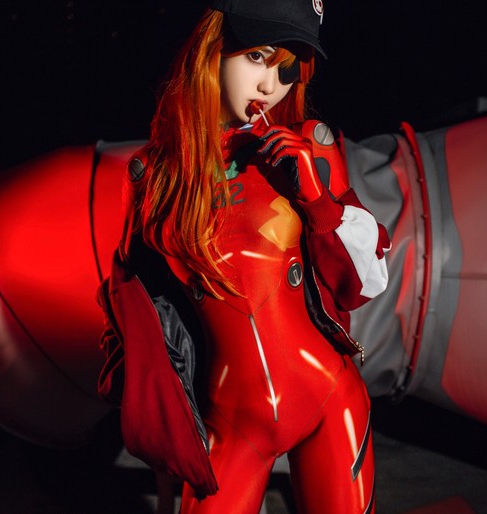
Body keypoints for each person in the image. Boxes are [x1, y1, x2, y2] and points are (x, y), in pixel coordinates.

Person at [108, 1, 391, 512]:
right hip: (231, 421)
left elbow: (363, 284)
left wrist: (318, 201)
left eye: (287, 69)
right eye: (257, 56)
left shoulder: (308, 147)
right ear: (210, 49)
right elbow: (134, 310)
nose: (270, 86)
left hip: (329, 398)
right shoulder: (154, 178)